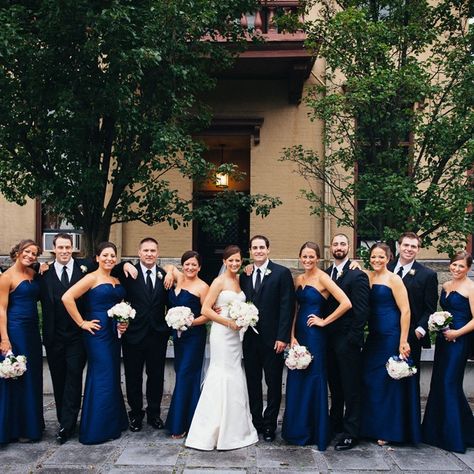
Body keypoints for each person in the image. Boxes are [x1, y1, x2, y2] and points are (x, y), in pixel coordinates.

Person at [185, 245, 258, 450]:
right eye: (231, 261)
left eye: (238, 260)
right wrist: (228, 322)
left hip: (235, 335)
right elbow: (205, 309)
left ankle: (235, 428)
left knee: (234, 373)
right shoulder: (219, 281)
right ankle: (211, 430)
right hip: (222, 333)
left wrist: (243, 318)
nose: (234, 264)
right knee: (221, 374)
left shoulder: (240, 278)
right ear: (224, 262)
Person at [281, 241, 352, 450]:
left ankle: (315, 431)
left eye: (312, 256)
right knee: (297, 379)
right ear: (300, 258)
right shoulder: (298, 279)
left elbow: (346, 303)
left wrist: (324, 321)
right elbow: (294, 309)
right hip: (300, 335)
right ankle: (296, 430)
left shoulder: (323, 277)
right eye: (305, 256)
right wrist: (292, 336)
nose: (308, 260)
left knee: (313, 379)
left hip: (315, 335)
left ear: (318, 258)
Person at [62, 241, 128, 444]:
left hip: (113, 333)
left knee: (112, 375)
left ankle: (112, 422)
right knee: (102, 376)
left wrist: (123, 322)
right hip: (97, 334)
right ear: (97, 258)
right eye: (105, 255)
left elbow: (120, 306)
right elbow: (67, 297)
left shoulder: (116, 279)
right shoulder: (91, 278)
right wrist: (82, 322)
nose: (109, 259)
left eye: (112, 256)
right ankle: (97, 428)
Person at [360, 242, 421, 446]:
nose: (377, 260)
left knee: (387, 382)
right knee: (369, 379)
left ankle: (387, 430)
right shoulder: (367, 276)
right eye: (373, 257)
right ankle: (369, 426)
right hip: (374, 336)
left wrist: (403, 340)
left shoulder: (394, 279)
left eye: (381, 257)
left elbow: (406, 311)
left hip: (390, 335)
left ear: (389, 258)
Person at [239, 235, 295, 442]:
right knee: (252, 382)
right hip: (250, 340)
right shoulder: (245, 275)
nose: (259, 251)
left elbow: (286, 306)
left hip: (273, 340)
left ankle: (270, 424)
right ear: (251, 251)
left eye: (262, 247)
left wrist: (283, 337)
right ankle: (256, 422)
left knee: (273, 383)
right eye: (255, 248)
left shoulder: (281, 273)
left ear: (268, 249)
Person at [114, 237, 170, 432]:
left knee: (156, 376)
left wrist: (172, 270)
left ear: (157, 252)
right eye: (145, 250)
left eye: (153, 250)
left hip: (157, 335)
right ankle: (136, 414)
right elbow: (110, 268)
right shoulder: (129, 273)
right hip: (133, 335)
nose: (149, 254)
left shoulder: (164, 275)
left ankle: (154, 413)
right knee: (133, 376)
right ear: (139, 253)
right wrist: (125, 263)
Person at [38, 233, 89, 444]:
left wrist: (127, 266)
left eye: (68, 247)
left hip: (77, 337)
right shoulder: (43, 273)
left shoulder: (85, 268)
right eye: (61, 248)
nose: (65, 251)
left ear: (73, 248)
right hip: (53, 337)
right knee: (59, 380)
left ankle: (67, 425)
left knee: (74, 379)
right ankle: (63, 419)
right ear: (54, 249)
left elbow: (110, 265)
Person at [422, 251, 474, 453]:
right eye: (454, 265)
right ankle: (438, 432)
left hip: (460, 340)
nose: (456, 269)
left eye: (461, 266)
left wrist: (457, 333)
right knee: (439, 381)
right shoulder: (445, 285)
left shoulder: (471, 288)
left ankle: (454, 437)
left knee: (449, 383)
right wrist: (438, 324)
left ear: (468, 268)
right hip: (444, 340)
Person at [325, 234, 370, 450]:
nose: (339, 247)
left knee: (351, 386)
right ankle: (335, 423)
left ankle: (352, 432)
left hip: (347, 339)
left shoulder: (357, 275)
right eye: (336, 244)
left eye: (343, 244)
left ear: (349, 247)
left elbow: (362, 310)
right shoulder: (326, 274)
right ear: (330, 248)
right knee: (335, 384)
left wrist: (353, 338)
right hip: (328, 339)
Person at [0, 240, 43, 444]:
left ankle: (31, 426)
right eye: (27, 252)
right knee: (17, 376)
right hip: (16, 330)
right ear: (17, 252)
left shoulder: (33, 274)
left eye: (34, 253)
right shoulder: (6, 277)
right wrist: (5, 339)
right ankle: (14, 428)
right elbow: (1, 310)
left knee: (32, 376)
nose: (30, 256)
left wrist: (44, 267)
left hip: (33, 331)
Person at [164, 251, 209, 438]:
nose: (190, 268)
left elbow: (207, 315)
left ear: (199, 267)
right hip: (179, 337)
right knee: (181, 372)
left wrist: (188, 322)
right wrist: (168, 272)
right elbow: (169, 267)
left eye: (194, 265)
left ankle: (180, 424)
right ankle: (189, 419)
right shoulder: (179, 277)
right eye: (187, 264)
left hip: (194, 337)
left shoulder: (203, 286)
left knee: (185, 375)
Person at [387, 232, 438, 392]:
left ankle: (409, 416)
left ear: (418, 249)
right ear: (399, 246)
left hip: (410, 336)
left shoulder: (427, 275)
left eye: (413, 246)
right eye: (406, 245)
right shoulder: (386, 269)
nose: (409, 249)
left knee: (408, 381)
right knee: (386, 378)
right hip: (385, 333)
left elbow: (430, 308)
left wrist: (419, 331)